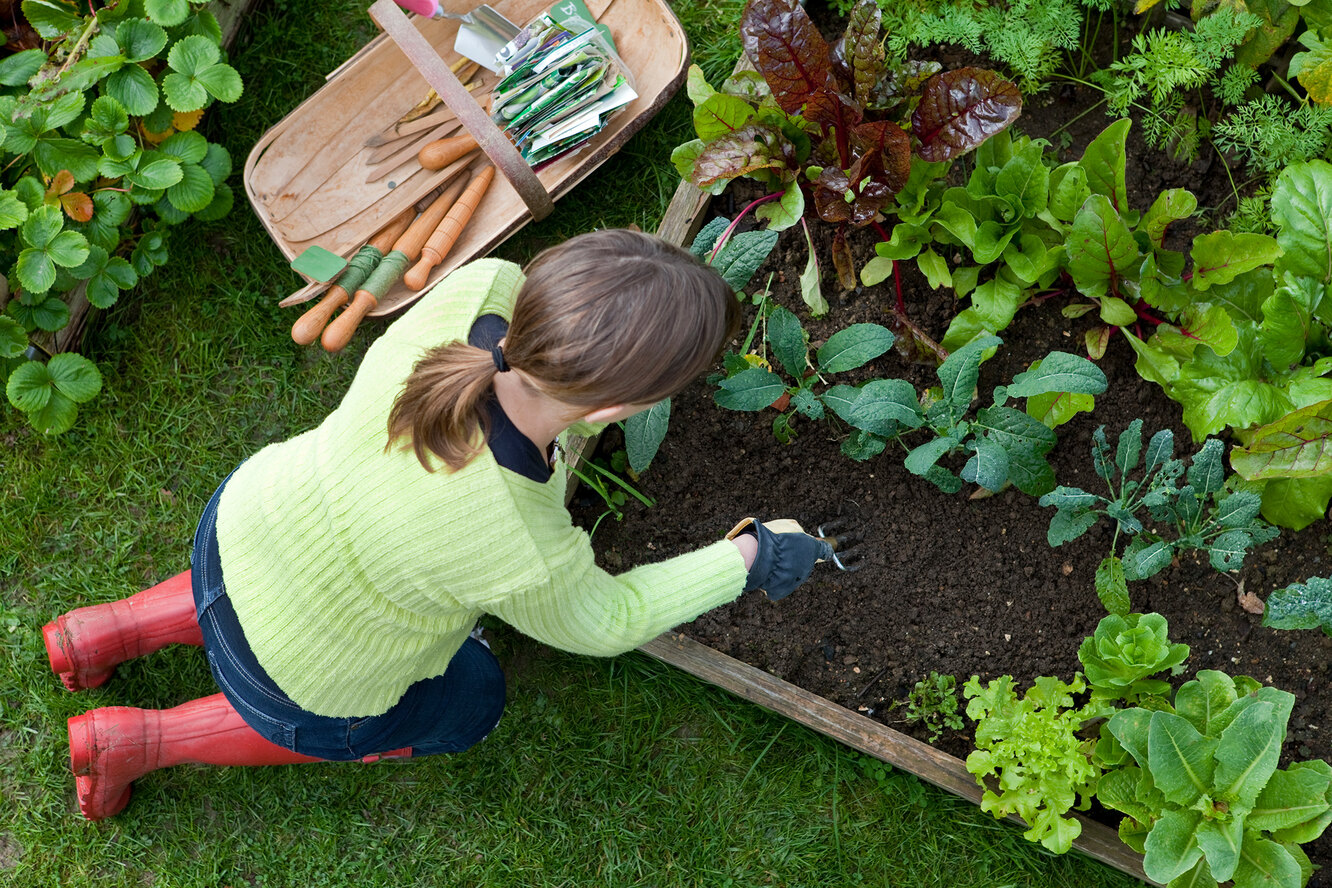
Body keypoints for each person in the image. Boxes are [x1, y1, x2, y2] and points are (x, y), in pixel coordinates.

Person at [44, 228, 835, 821]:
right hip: (296, 678)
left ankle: (103, 631)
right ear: (613, 413)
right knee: (472, 699)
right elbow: (608, 620)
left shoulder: (479, 291)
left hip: (244, 523)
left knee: (282, 576)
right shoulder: (520, 543)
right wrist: (748, 557)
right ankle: (137, 743)